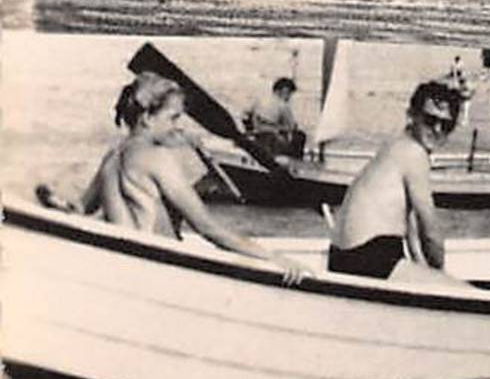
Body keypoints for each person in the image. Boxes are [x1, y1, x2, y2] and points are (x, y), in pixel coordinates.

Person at [38, 72, 305, 283]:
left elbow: (82, 210)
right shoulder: (158, 159)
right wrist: (273, 258)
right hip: (162, 273)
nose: (178, 126)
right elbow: (208, 228)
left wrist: (58, 204)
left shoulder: (113, 156)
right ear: (146, 117)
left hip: (126, 269)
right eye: (173, 117)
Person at [328, 81, 464, 281]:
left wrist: (423, 267)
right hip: (369, 256)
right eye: (430, 120)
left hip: (341, 257)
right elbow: (430, 232)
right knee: (462, 292)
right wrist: (440, 274)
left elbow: (409, 225)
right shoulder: (414, 153)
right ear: (412, 115)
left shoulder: (395, 145)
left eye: (446, 125)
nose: (437, 129)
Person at [243, 76, 306, 159]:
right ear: (282, 91)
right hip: (273, 142)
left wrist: (250, 128)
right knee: (300, 135)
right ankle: (296, 161)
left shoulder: (258, 100)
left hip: (257, 139)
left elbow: (245, 116)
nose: (289, 97)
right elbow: (292, 127)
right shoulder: (283, 105)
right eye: (289, 94)